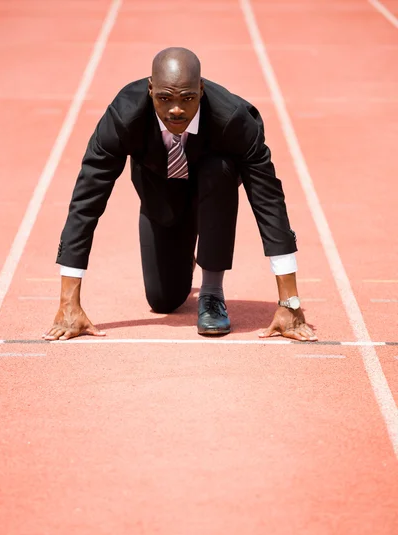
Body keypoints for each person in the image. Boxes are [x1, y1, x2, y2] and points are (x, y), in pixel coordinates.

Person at [43, 47, 317, 342]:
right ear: (150, 90)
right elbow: (87, 199)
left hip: (215, 185)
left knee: (218, 169)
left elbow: (268, 201)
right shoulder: (123, 117)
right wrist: (68, 302)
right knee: (164, 301)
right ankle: (185, 243)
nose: (176, 109)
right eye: (165, 98)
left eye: (187, 98)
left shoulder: (234, 119)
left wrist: (290, 302)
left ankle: (211, 292)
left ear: (201, 89)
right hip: (160, 194)